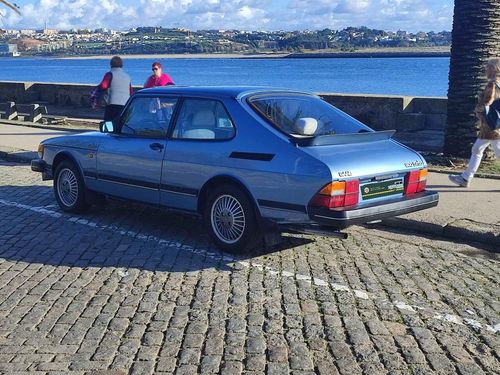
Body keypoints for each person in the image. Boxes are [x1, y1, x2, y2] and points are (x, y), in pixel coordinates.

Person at [449, 58, 500, 187]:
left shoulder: (492, 84)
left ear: (494, 69)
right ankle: (466, 178)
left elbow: (487, 101)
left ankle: (466, 178)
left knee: (491, 151)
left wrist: (478, 110)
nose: (485, 69)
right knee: (477, 149)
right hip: (493, 125)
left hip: (491, 126)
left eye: (488, 67)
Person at [99, 56, 133, 122]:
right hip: (124, 104)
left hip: (112, 103)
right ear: (121, 65)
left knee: (108, 123)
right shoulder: (127, 76)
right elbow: (130, 91)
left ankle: (109, 132)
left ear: (111, 64)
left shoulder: (109, 74)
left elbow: (103, 86)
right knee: (120, 122)